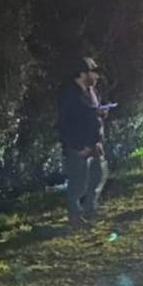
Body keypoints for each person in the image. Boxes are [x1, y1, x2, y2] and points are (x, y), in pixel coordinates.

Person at [58, 57, 110, 229]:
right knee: (78, 183)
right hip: (79, 146)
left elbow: (93, 116)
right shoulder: (70, 95)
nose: (97, 76)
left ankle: (90, 209)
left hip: (95, 143)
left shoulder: (92, 92)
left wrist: (102, 114)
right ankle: (75, 217)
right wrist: (77, 146)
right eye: (93, 72)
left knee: (99, 175)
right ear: (82, 74)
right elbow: (66, 123)